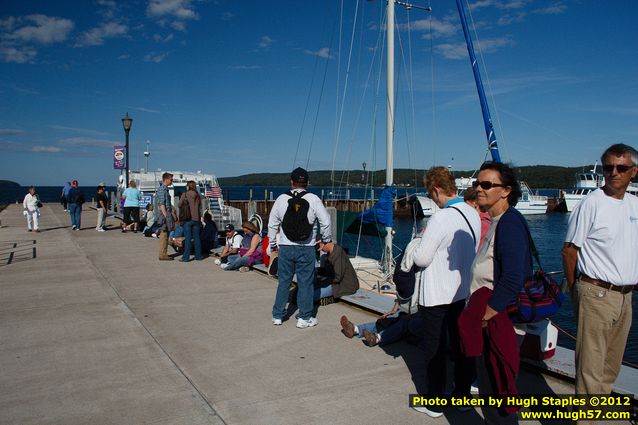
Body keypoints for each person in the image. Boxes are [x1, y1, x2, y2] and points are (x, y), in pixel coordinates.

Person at [562, 144, 638, 400]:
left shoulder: (634, 205)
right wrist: (577, 292)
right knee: (591, 367)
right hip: (595, 293)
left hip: (625, 296)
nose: (614, 172)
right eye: (608, 167)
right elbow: (570, 251)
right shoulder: (592, 203)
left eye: (621, 168)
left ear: (633, 172)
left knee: (611, 364)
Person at [409, 166, 481, 418]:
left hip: (438, 294)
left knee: (435, 349)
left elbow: (422, 258)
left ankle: (434, 401)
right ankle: (461, 395)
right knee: (461, 346)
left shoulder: (440, 217)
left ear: (437, 190)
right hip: (462, 293)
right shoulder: (472, 213)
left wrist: (417, 244)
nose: (433, 200)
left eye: (432, 195)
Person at [464, 162, 531, 425]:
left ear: (505, 191)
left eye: (486, 185)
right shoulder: (497, 220)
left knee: (496, 394)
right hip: (494, 320)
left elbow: (513, 277)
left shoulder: (509, 224)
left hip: (499, 322)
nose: (479, 189)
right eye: (477, 184)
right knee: (494, 391)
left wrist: (485, 316)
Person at [268, 167, 332, 329]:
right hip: (306, 247)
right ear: (307, 183)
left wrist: (273, 244)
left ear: (292, 182)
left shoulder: (281, 199)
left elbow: (272, 224)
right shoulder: (313, 199)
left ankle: (277, 315)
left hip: (286, 247)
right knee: (305, 283)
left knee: (284, 281)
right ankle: (304, 318)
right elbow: (326, 221)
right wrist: (325, 240)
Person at [178, 180, 203, 262]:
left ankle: (186, 257)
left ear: (188, 186)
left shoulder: (185, 194)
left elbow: (179, 205)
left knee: (188, 239)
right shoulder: (198, 196)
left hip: (188, 219)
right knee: (197, 238)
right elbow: (200, 208)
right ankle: (198, 256)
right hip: (196, 219)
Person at [156, 172, 175, 261]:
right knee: (164, 234)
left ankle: (164, 253)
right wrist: (166, 216)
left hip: (167, 213)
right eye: (171, 179)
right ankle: (162, 254)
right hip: (163, 215)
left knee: (166, 234)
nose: (172, 181)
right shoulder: (162, 189)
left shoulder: (165, 189)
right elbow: (161, 204)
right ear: (166, 179)